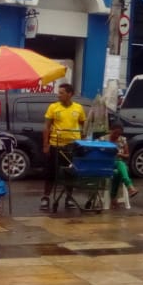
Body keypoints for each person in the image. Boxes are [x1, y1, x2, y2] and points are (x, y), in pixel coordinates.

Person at [40, 83, 87, 211]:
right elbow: (46, 127)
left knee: (70, 173)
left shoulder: (78, 108)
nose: (58, 95)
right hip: (56, 144)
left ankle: (69, 198)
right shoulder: (53, 107)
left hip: (72, 146)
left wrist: (84, 140)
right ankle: (45, 197)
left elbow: (84, 125)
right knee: (50, 173)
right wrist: (46, 144)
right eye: (59, 93)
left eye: (61, 93)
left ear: (69, 94)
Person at [107, 121, 138, 200]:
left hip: (119, 164)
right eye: (115, 133)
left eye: (119, 134)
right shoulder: (103, 140)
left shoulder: (122, 140)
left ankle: (113, 197)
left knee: (117, 171)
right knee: (119, 165)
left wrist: (120, 155)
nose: (117, 136)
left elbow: (127, 155)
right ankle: (130, 187)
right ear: (111, 130)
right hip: (107, 164)